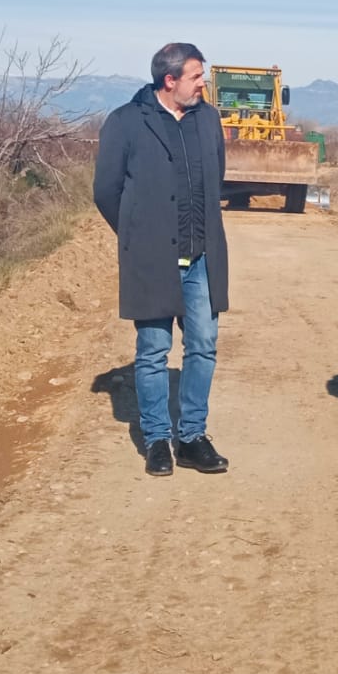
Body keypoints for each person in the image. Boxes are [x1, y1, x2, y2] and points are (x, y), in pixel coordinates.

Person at [93, 43, 231, 477]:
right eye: (196, 76)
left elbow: (217, 177)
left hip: (202, 256)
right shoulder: (126, 122)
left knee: (203, 346)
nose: (203, 83)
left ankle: (191, 438)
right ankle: (157, 439)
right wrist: (137, 235)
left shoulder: (208, 119)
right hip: (153, 258)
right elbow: (106, 191)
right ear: (169, 81)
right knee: (153, 350)